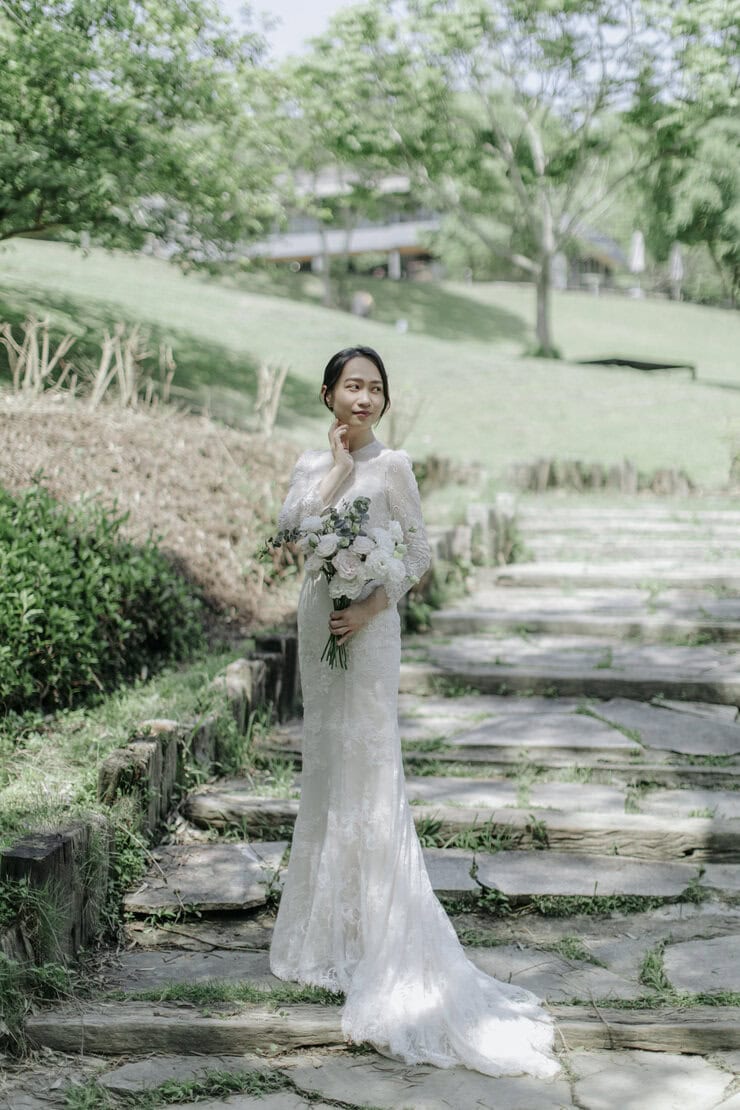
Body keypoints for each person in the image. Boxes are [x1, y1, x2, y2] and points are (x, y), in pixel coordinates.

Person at [269, 345, 560, 1079]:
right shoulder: (310, 465)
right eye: (352, 385)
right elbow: (290, 531)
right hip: (318, 620)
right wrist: (336, 473)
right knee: (326, 764)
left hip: (369, 629)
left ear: (384, 399)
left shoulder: (395, 467)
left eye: (375, 388)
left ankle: (381, 932)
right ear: (329, 394)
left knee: (369, 764)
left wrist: (371, 603)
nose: (364, 397)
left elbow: (420, 551)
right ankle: (328, 934)